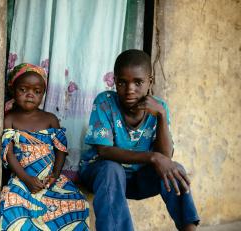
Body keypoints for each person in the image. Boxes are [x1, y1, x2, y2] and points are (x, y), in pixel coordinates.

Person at [79, 50, 200, 231]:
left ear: (150, 82)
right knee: (112, 169)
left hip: (138, 180)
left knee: (176, 170)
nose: (130, 90)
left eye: (138, 82)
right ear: (114, 81)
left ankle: (188, 229)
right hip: (103, 176)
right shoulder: (105, 102)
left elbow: (165, 156)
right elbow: (104, 151)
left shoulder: (159, 107)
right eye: (122, 82)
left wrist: (161, 115)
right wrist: (152, 157)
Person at [0, 63, 89, 231]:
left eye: (37, 91)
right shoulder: (10, 119)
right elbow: (9, 154)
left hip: (50, 179)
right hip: (22, 179)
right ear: (13, 91)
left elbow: (61, 150)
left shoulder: (50, 119)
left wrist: (55, 175)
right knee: (12, 205)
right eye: (23, 90)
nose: (30, 95)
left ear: (43, 94)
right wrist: (26, 178)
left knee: (78, 204)